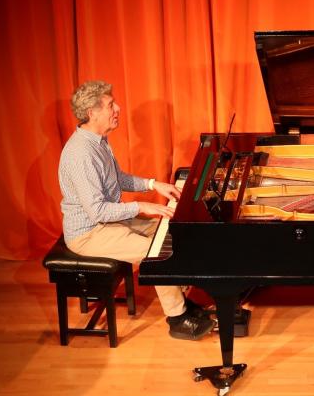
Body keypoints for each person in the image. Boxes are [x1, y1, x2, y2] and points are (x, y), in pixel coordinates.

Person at [58, 80, 215, 340]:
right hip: (88, 233)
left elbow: (118, 178)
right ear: (92, 113)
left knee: (171, 233)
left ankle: (184, 302)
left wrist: (155, 184)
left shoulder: (98, 141)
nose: (118, 108)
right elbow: (97, 211)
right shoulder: (81, 154)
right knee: (155, 253)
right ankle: (177, 318)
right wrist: (142, 205)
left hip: (108, 222)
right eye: (111, 105)